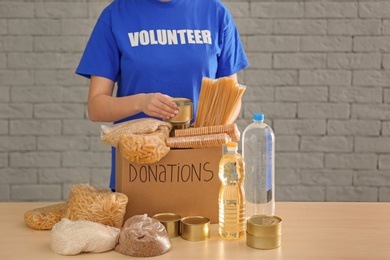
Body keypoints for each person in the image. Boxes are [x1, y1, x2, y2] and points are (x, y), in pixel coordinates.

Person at [76, 0, 249, 191]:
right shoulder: (116, 15)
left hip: (201, 168)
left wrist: (205, 132)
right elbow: (96, 107)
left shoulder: (215, 13)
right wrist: (141, 103)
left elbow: (232, 97)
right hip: (138, 169)